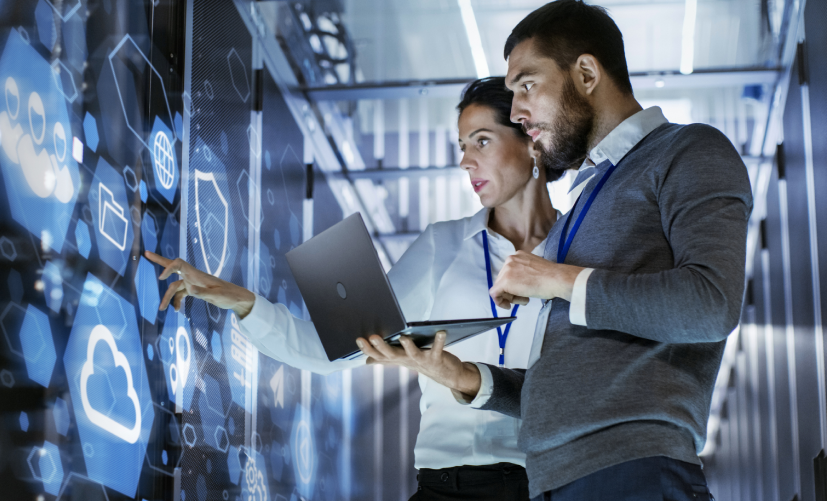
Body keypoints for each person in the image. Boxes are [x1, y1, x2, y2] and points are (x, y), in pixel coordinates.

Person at [356, 2, 754, 501]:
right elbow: (561, 387)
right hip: (554, 480)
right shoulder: (587, 197)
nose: (519, 111)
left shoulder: (688, 151)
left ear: (586, 73)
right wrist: (464, 377)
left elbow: (711, 304)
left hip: (632, 471)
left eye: (527, 85)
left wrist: (558, 279)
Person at [145, 76, 561, 501]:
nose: (466, 163)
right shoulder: (444, 245)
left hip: (550, 485)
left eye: (482, 142)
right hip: (446, 488)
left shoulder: (578, 255)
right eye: (462, 147)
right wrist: (241, 301)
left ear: (531, 140)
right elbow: (333, 351)